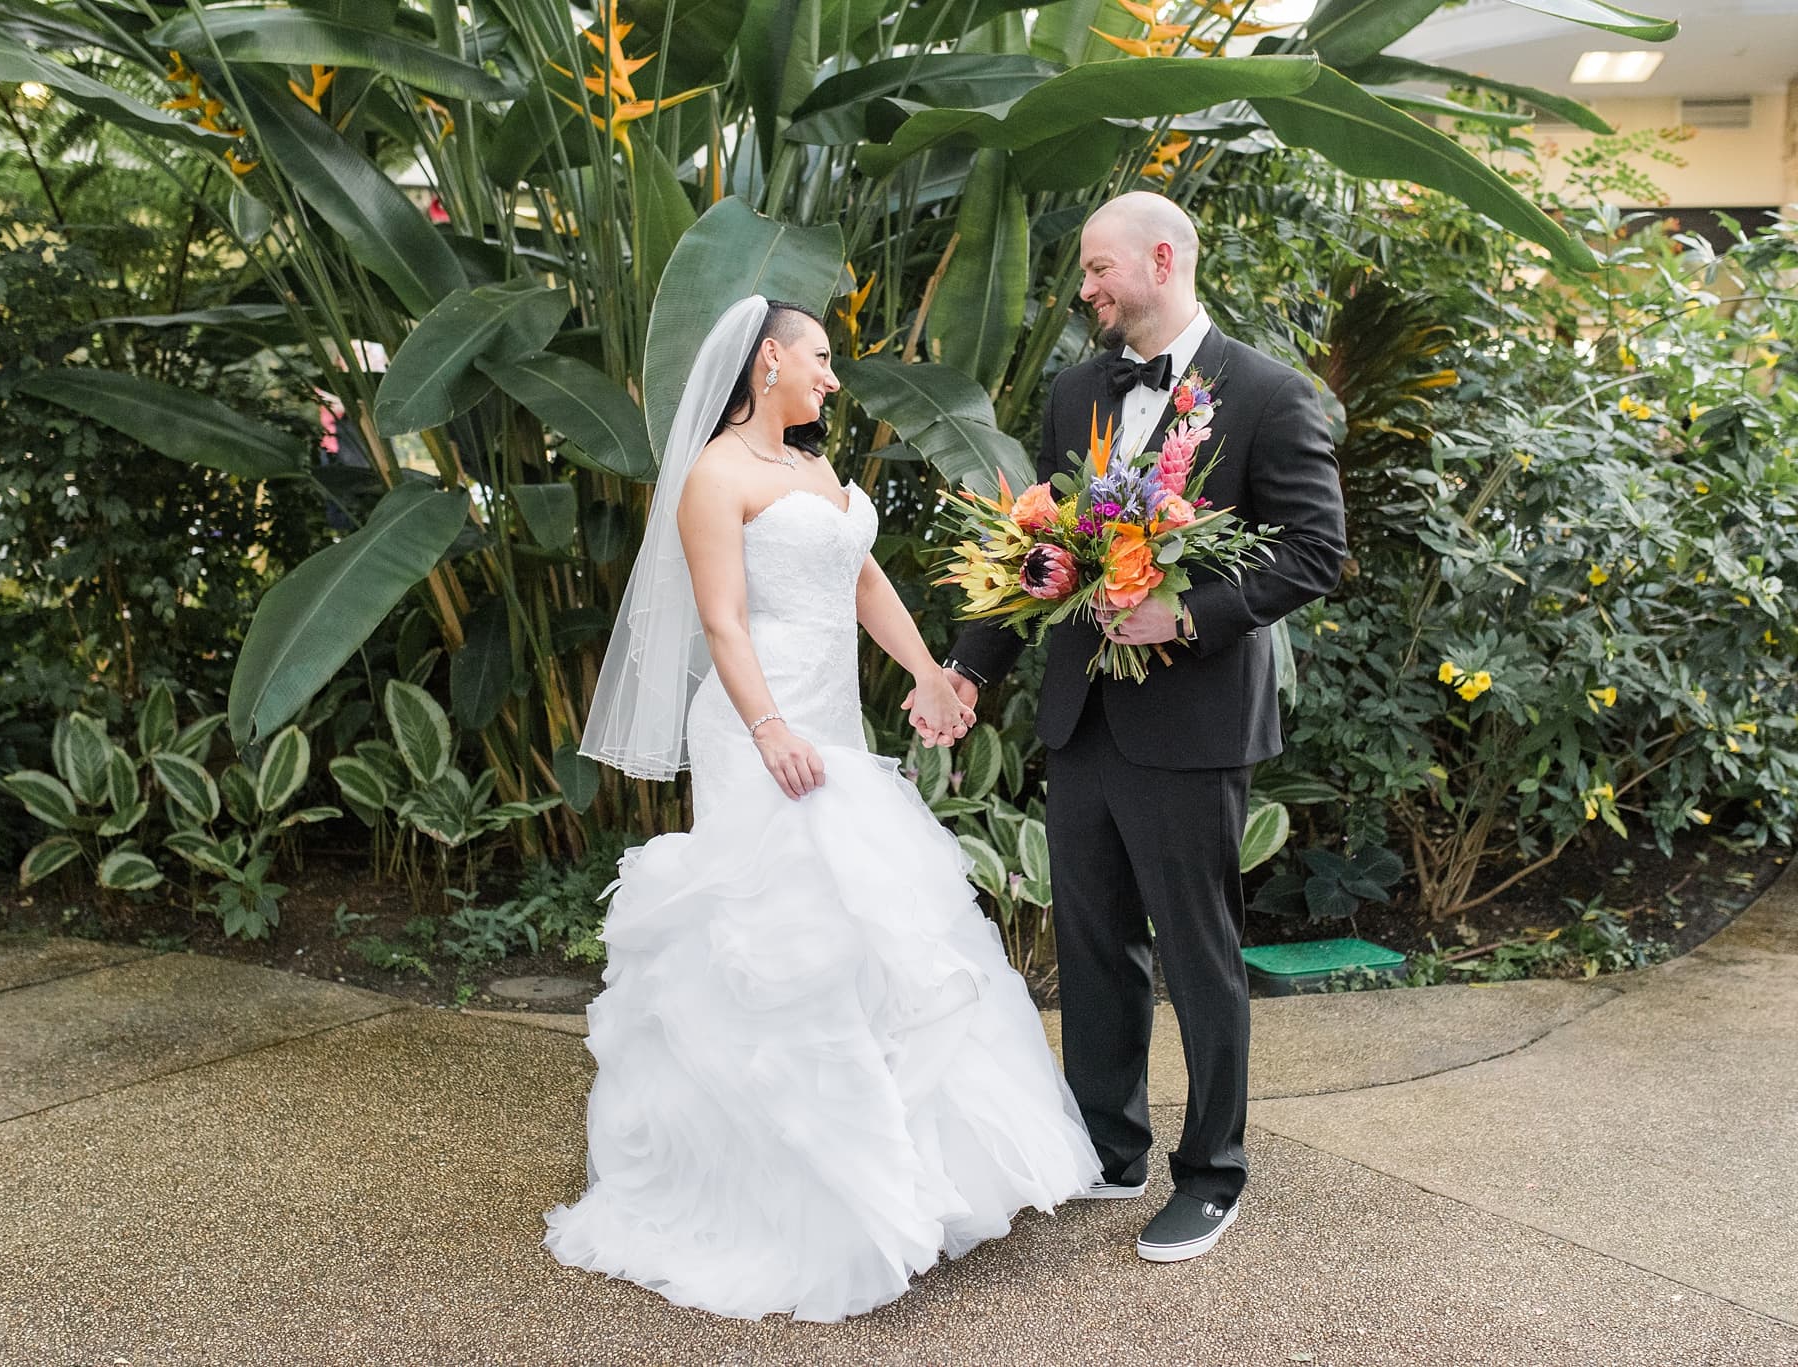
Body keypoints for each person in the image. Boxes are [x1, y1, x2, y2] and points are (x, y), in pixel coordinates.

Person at [546, 296, 1101, 1323]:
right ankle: (788, 1194)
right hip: (762, 729)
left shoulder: (809, 469)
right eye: (820, 358)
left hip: (831, 726)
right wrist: (765, 728)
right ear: (768, 359)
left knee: (859, 930)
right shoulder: (714, 476)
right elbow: (719, 618)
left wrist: (932, 673)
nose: (833, 378)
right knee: (779, 936)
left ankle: (898, 1173)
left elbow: (861, 578)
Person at [930, 192, 1347, 1263]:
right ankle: (1106, 1149)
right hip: (1082, 716)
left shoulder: (1267, 394)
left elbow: (1312, 550)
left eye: (1097, 269)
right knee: (1091, 943)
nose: (1085, 289)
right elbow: (1043, 555)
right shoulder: (1077, 393)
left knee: (1198, 955)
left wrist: (1188, 614)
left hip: (1194, 722)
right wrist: (969, 669)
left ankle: (1211, 1172)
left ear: (1161, 260)